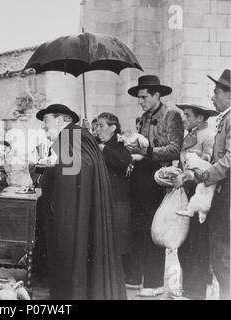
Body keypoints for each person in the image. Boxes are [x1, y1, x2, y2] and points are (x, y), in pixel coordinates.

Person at [36, 104, 127, 300]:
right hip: (80, 207)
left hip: (73, 210)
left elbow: (74, 174)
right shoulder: (74, 136)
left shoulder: (70, 136)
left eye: (46, 120)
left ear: (62, 119)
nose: (44, 126)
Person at [125, 75, 184, 297]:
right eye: (139, 98)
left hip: (159, 177)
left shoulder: (172, 115)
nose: (140, 102)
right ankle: (141, 279)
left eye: (144, 97)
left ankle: (154, 281)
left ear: (157, 95)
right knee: (140, 227)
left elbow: (174, 149)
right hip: (141, 176)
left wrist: (145, 152)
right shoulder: (142, 117)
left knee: (154, 228)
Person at [189, 69, 230, 300]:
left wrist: (206, 175)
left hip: (227, 194)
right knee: (220, 253)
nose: (212, 97)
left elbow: (230, 160)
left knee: (223, 254)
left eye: (216, 92)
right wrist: (207, 161)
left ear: (229, 94)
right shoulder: (225, 119)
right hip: (223, 191)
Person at [171, 103, 218, 300]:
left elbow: (209, 168)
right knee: (186, 245)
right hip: (189, 195)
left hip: (201, 197)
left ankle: (194, 293)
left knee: (197, 247)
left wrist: (188, 177)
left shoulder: (207, 136)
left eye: (187, 115)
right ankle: (187, 289)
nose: (184, 119)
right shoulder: (192, 134)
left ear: (200, 118)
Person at [96, 112, 133, 267]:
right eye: (97, 126)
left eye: (101, 126)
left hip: (117, 200)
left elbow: (123, 160)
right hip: (105, 198)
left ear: (112, 128)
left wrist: (104, 149)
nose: (97, 129)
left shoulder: (120, 144)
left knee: (117, 240)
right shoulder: (98, 143)